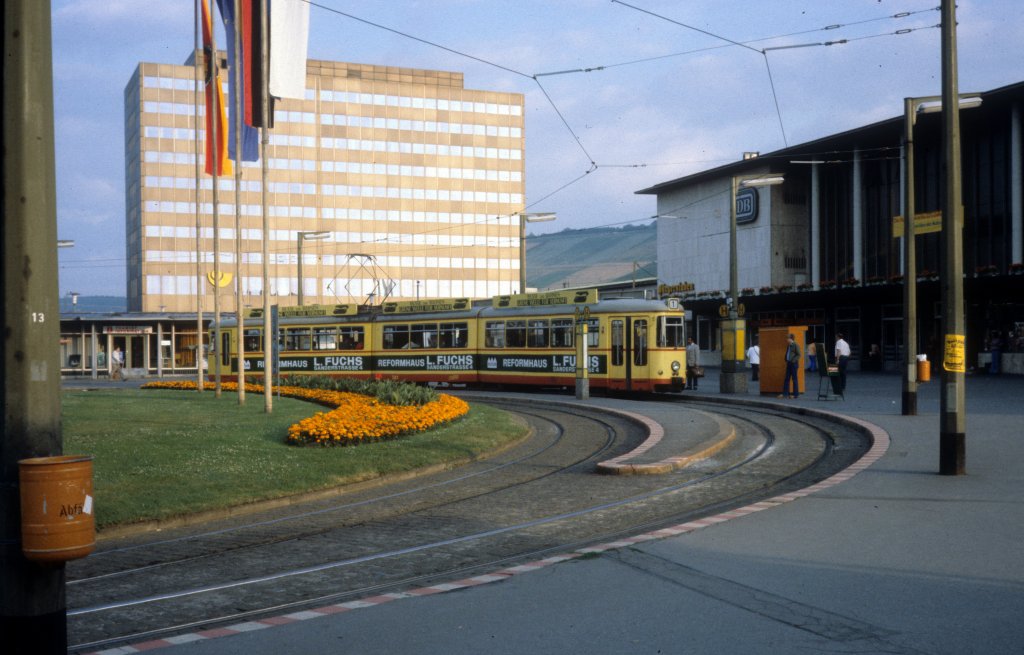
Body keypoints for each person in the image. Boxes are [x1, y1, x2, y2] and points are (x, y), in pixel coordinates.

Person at [779, 333, 801, 399]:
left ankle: (795, 395)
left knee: (794, 379)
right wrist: (786, 358)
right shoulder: (789, 345)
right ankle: (785, 393)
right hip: (789, 363)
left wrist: (793, 360)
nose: (786, 340)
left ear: (791, 339)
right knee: (787, 378)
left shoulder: (795, 345)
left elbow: (799, 354)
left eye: (787, 338)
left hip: (794, 364)